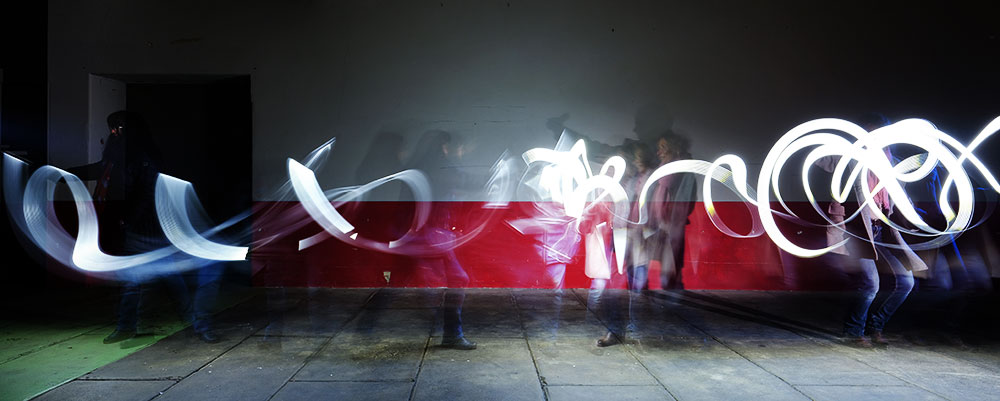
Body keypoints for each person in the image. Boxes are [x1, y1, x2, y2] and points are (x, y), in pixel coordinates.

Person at [817, 113, 926, 348]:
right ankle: (853, 331)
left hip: (883, 232)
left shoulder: (893, 163)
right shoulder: (850, 158)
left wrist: (914, 215)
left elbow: (900, 196)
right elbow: (820, 159)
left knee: (906, 283)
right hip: (857, 232)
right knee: (870, 284)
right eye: (870, 133)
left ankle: (876, 327)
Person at [650, 133, 696, 290]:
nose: (659, 152)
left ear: (674, 148)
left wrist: (673, 219)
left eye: (663, 147)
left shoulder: (684, 171)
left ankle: (673, 293)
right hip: (662, 223)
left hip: (673, 223)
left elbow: (687, 198)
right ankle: (672, 291)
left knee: (671, 263)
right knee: (666, 264)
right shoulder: (664, 171)